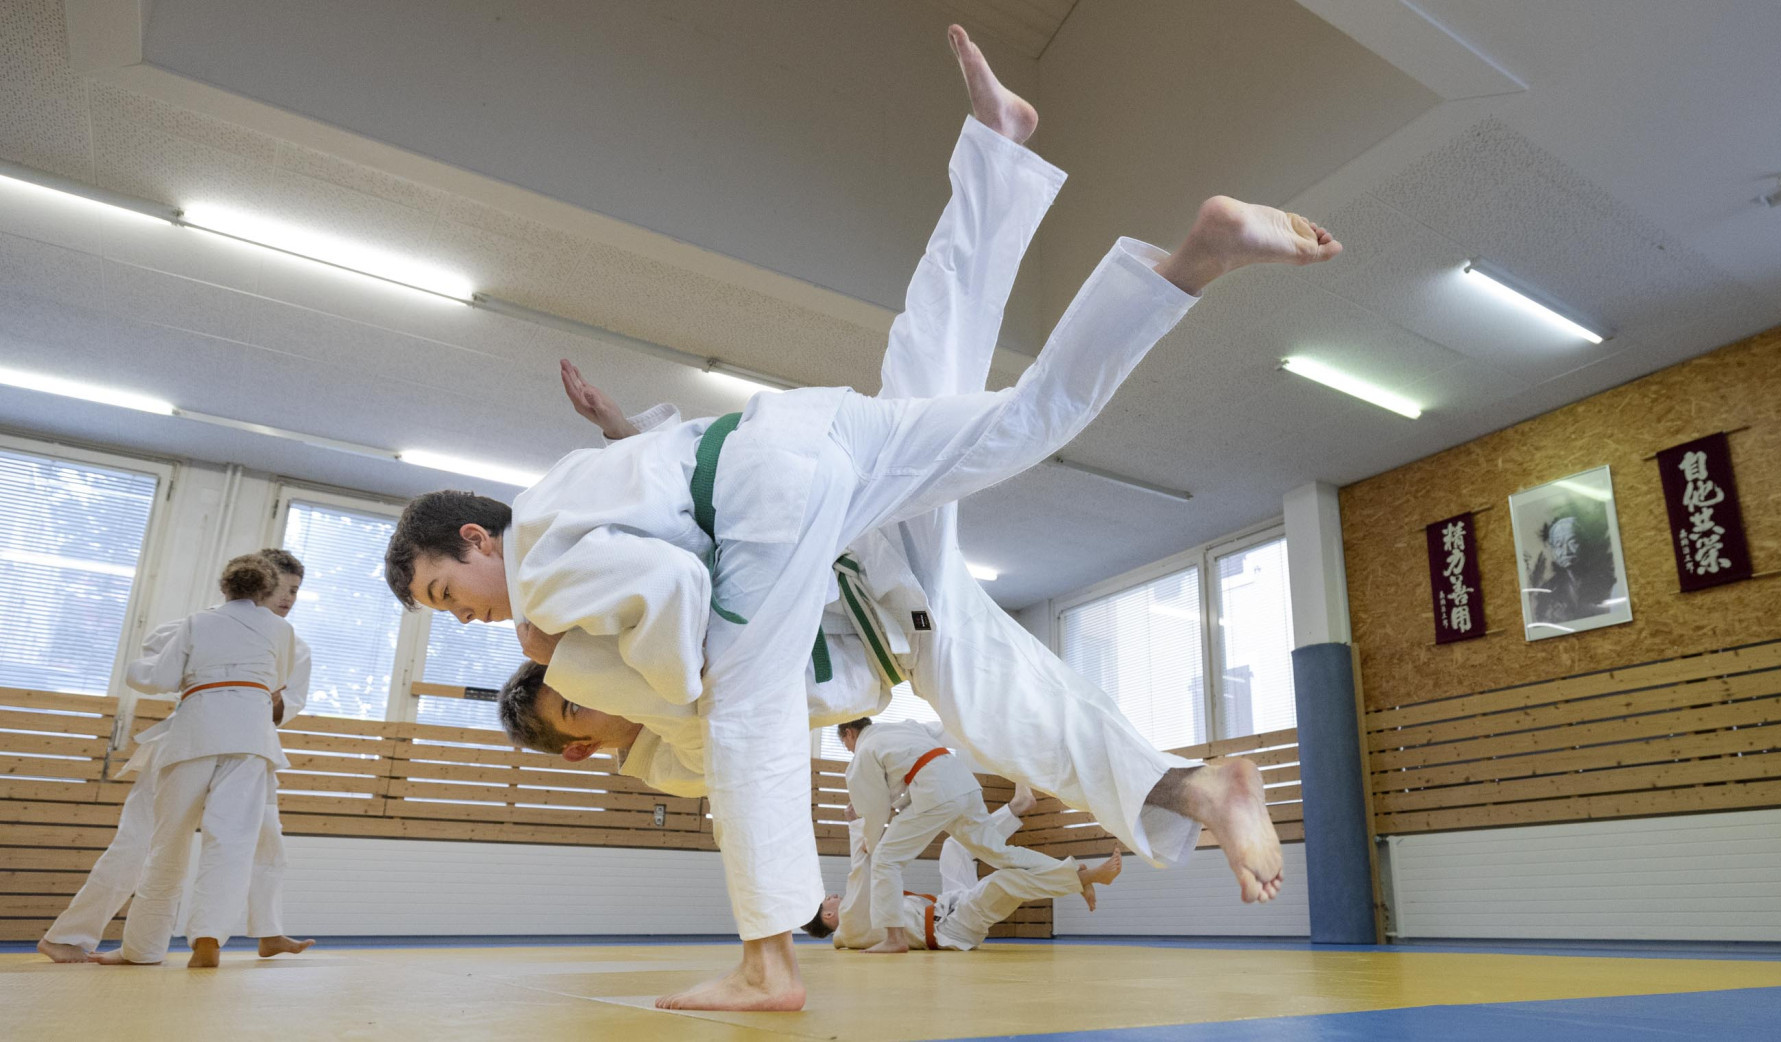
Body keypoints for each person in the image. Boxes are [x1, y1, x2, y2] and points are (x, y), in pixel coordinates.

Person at [389, 25, 1337, 1010]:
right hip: (876, 558)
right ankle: (1040, 177)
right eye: (575, 718)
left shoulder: (547, 585)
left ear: (476, 539)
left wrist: (593, 649)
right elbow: (668, 508)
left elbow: (680, 591)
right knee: (978, 444)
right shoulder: (599, 625)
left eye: (445, 594)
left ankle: (768, 963)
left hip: (795, 506)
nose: (468, 618)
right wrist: (622, 440)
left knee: (747, 692)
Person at [38, 549, 315, 964]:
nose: (287, 597)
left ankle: (265, 932)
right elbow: (161, 654)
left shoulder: (291, 641)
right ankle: (71, 936)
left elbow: (286, 704)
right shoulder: (203, 620)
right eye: (280, 586)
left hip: (250, 743)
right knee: (140, 842)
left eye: (295, 591)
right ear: (259, 582)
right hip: (187, 740)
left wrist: (251, 691)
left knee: (263, 841)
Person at [837, 717, 1074, 953]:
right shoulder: (906, 727)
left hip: (935, 791)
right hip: (964, 783)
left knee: (885, 859)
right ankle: (1070, 872)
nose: (849, 750)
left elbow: (874, 810)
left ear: (849, 733)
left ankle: (894, 938)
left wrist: (869, 841)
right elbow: (949, 728)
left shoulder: (863, 752)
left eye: (846, 745)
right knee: (1000, 853)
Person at [807, 781, 1124, 950]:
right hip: (952, 930)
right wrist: (855, 825)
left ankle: (1017, 809)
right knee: (1003, 881)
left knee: (953, 847)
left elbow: (867, 876)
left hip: (948, 904)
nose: (833, 895)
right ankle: (1082, 878)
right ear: (830, 915)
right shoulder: (849, 924)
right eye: (828, 900)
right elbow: (859, 873)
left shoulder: (855, 922)